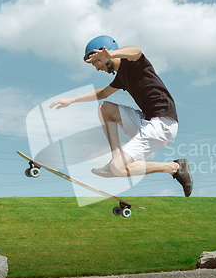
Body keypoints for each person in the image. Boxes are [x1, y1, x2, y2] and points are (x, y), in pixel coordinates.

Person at [49, 35, 192, 197]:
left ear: (105, 52)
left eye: (95, 61)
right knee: (105, 109)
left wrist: (112, 54)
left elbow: (136, 51)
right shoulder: (121, 77)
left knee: (119, 168)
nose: (96, 68)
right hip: (147, 121)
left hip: (163, 124)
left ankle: (174, 168)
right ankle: (115, 159)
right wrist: (72, 100)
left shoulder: (133, 62)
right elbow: (102, 93)